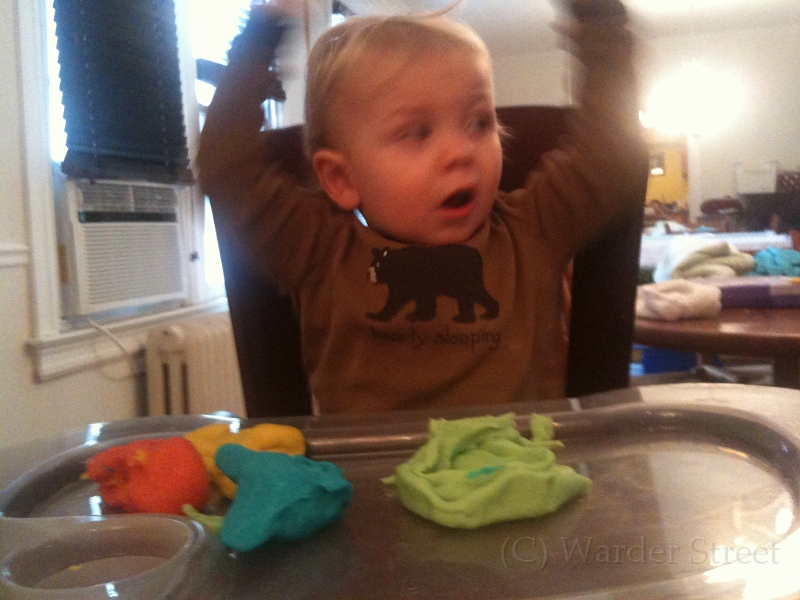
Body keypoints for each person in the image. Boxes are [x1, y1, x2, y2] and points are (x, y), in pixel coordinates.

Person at [198, 0, 647, 414]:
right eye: (416, 133)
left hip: (519, 467)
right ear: (342, 179)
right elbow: (226, 168)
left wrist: (596, 15)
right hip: (372, 471)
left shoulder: (532, 229)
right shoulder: (318, 248)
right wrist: (261, 35)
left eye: (479, 122)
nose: (461, 152)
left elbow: (613, 152)